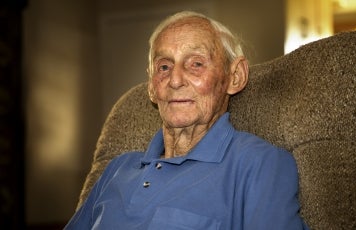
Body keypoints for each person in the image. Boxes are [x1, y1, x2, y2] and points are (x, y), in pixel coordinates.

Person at [65, 11, 309, 229]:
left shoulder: (259, 165)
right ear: (151, 87)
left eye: (196, 64)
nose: (175, 80)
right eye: (163, 67)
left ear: (235, 76)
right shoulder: (117, 169)